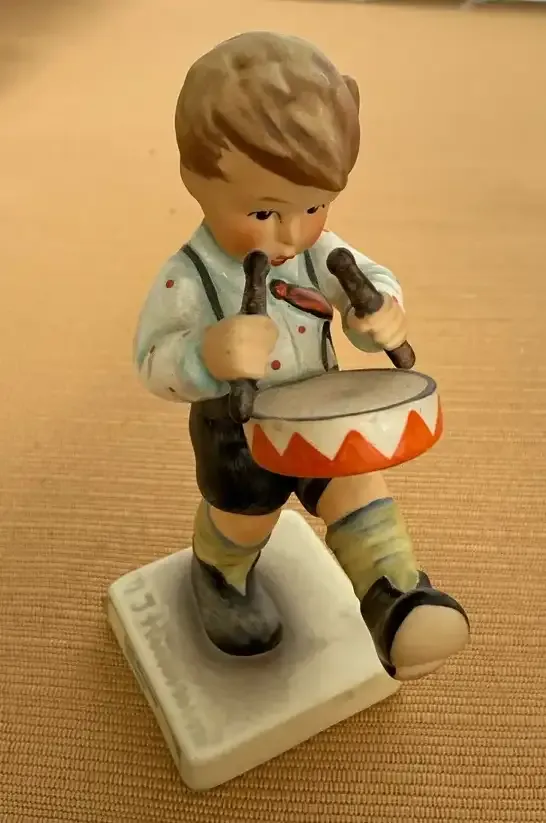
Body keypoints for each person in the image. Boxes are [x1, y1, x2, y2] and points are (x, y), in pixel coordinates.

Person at [133, 31, 469, 681]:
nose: (292, 233)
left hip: (322, 413)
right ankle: (221, 576)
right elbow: (150, 358)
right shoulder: (187, 278)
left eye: (313, 205)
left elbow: (370, 283)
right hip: (236, 431)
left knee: (359, 494)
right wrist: (205, 354)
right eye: (264, 211)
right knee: (245, 522)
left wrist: (380, 313)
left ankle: (399, 598)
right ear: (195, 180)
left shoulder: (320, 250)